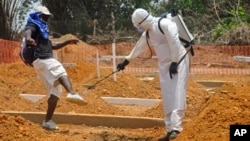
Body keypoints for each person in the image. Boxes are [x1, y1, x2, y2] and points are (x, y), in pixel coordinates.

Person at [116, 8, 190, 141]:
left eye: (138, 25)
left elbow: (173, 41)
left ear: (142, 22)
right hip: (165, 65)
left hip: (179, 60)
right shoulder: (148, 34)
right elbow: (138, 47)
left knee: (178, 92)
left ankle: (176, 128)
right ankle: (169, 130)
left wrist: (174, 61)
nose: (138, 28)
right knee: (167, 94)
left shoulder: (164, 24)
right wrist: (126, 61)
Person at [24, 6, 88, 130]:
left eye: (48, 17)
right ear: (38, 15)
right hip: (42, 59)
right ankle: (72, 93)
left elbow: (53, 45)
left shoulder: (43, 32)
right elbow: (28, 32)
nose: (47, 19)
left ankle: (47, 121)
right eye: (44, 16)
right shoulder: (34, 25)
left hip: (41, 62)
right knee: (60, 70)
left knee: (55, 92)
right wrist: (29, 39)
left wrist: (67, 42)